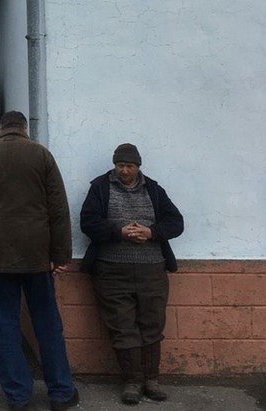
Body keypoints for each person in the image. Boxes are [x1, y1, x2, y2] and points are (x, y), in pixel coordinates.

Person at [0, 112, 79, 411]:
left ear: (0, 129)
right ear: (25, 128)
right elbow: (58, 209)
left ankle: (18, 395)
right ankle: (61, 393)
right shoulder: (42, 155)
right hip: (36, 254)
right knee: (47, 323)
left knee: (4, 326)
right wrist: (61, 254)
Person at [80, 143, 184, 405]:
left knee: (152, 324)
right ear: (114, 165)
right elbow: (88, 222)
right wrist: (119, 232)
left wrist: (151, 233)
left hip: (152, 269)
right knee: (121, 325)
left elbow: (176, 222)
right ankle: (131, 382)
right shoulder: (100, 188)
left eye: (129, 166)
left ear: (138, 166)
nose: (124, 170)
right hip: (111, 270)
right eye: (120, 165)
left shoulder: (154, 189)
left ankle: (151, 380)